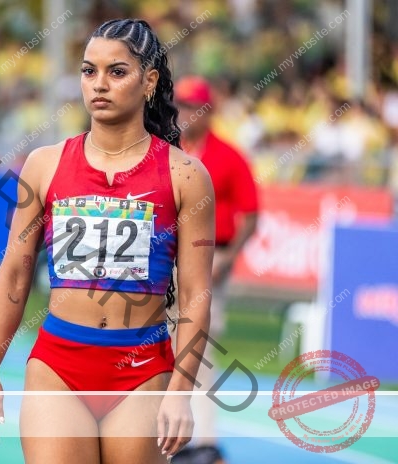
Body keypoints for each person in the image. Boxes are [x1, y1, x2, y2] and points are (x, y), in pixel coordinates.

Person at [0, 19, 216, 463]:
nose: (99, 85)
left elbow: (197, 293)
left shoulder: (185, 176)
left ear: (149, 81)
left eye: (116, 72)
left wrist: (181, 391)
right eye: (89, 71)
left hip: (142, 372)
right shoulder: (44, 165)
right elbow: (14, 272)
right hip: (58, 366)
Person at [171, 76, 259, 464]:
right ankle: (170, 437)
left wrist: (228, 257)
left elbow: (251, 214)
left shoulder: (229, 155)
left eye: (193, 106)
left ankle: (204, 441)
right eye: (182, 106)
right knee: (160, 346)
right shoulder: (170, 148)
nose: (186, 113)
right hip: (168, 260)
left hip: (210, 260)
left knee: (198, 348)